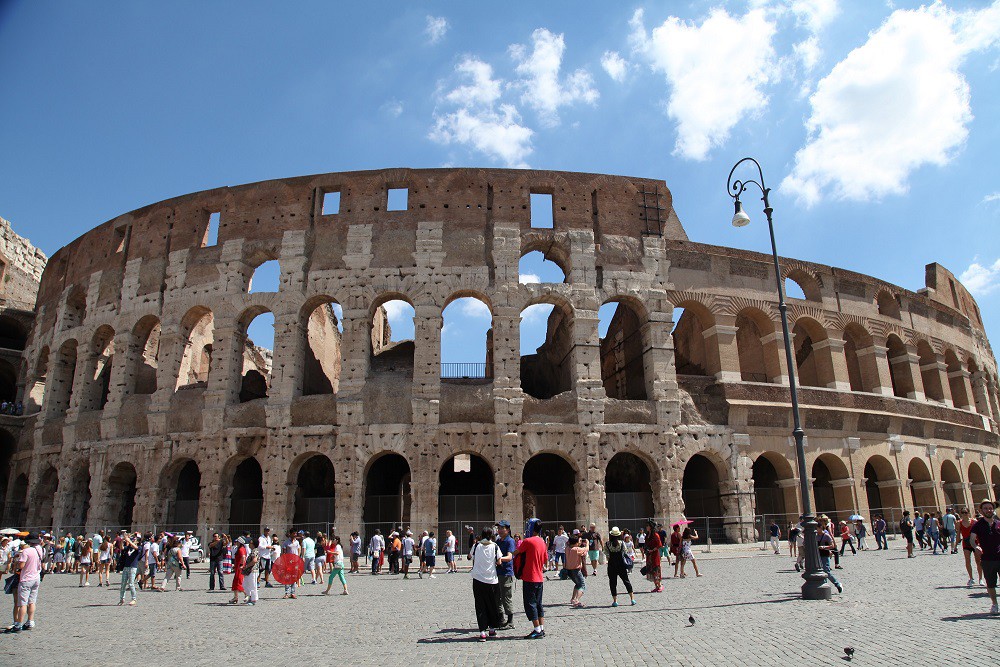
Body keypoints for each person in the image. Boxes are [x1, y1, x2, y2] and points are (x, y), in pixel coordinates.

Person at [514, 517, 547, 639]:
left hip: (530, 577)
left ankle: (536, 629)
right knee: (539, 604)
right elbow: (544, 559)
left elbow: (517, 552)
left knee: (530, 604)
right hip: (539, 577)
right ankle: (542, 628)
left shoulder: (528, 541)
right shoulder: (542, 542)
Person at [5, 534, 43, 633]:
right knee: (32, 601)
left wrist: (17, 562)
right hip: (36, 577)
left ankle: (18, 624)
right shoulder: (39, 549)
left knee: (22, 603)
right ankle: (30, 621)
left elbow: (21, 565)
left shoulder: (26, 551)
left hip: (26, 578)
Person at [470, 527, 502, 642]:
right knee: (492, 604)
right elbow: (499, 561)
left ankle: (482, 631)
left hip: (478, 579)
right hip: (492, 580)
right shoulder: (495, 546)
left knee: (480, 605)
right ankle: (492, 628)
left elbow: (470, 557)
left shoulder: (476, 546)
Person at [970, 499, 1000, 615]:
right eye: (986, 508)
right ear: (981, 511)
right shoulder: (977, 525)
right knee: (991, 584)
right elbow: (972, 540)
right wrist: (976, 547)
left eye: (990, 508)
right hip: (987, 559)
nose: (989, 510)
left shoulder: (998, 523)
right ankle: (995, 604)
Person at [604, 527, 635, 607]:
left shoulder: (607, 544)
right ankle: (632, 599)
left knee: (613, 582)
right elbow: (625, 552)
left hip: (612, 565)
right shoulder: (622, 543)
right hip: (621, 564)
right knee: (626, 581)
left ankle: (615, 601)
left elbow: (606, 554)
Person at [816, 516, 843, 594]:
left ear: (821, 528)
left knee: (826, 572)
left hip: (825, 555)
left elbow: (832, 546)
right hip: (818, 556)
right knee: (820, 572)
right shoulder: (815, 536)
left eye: (817, 528)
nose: (816, 530)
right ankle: (824, 586)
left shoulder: (826, 536)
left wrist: (824, 547)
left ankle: (837, 584)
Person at [958, 508, 983, 586]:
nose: (964, 514)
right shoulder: (959, 523)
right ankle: (971, 578)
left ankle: (980, 579)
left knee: (978, 561)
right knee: (967, 560)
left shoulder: (974, 522)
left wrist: (980, 544)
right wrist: (955, 545)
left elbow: (979, 533)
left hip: (975, 543)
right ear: (961, 513)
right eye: (963, 512)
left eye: (966, 512)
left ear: (968, 513)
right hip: (966, 543)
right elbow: (958, 534)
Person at [118, 532, 143, 606]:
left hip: (133, 567)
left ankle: (134, 599)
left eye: (135, 538)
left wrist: (128, 540)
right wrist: (123, 540)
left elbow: (136, 547)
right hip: (126, 566)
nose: (134, 539)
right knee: (123, 584)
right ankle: (121, 599)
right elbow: (121, 547)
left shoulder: (139, 547)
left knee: (131, 584)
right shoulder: (129, 547)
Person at [643, 521, 663, 592]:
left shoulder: (656, 535)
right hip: (649, 555)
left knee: (656, 568)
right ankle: (656, 585)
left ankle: (660, 585)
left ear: (651, 527)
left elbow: (659, 545)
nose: (646, 527)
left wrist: (653, 550)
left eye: (648, 526)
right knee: (651, 569)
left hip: (654, 554)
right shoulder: (647, 535)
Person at [281, 530, 301, 599]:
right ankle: (286, 593)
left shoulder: (297, 542)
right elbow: (284, 552)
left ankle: (293, 592)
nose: (295, 535)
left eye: (295, 533)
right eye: (294, 533)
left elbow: (298, 550)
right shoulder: (286, 542)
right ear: (290, 534)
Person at [230, 536, 247, 604]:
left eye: (237, 542)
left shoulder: (241, 549)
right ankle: (235, 597)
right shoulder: (239, 548)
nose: (236, 543)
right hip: (237, 568)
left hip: (240, 569)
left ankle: (247, 594)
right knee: (235, 582)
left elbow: (243, 557)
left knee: (239, 582)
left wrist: (241, 565)